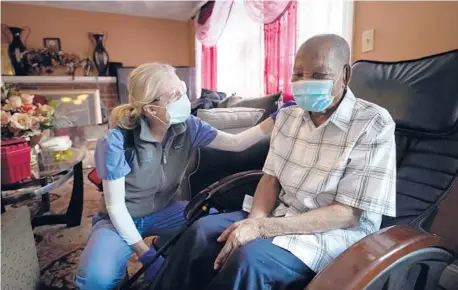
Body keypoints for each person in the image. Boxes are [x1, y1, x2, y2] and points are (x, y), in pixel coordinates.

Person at [151, 34, 397, 290]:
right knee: (201, 233)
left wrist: (263, 228)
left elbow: (347, 214)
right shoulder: (289, 117)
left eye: (318, 75)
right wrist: (255, 220)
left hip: (331, 233)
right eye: (298, 74)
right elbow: (270, 179)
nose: (304, 83)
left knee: (250, 259)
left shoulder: (373, 123)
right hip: (281, 212)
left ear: (344, 76)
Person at [74, 63, 287, 289]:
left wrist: (275, 118)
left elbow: (237, 143)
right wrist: (144, 254)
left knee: (213, 229)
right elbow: (116, 207)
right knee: (94, 280)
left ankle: (164, 245)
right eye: (174, 95)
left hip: (164, 210)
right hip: (122, 217)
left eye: (182, 90)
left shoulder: (188, 127)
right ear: (151, 109)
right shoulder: (117, 141)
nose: (183, 99)